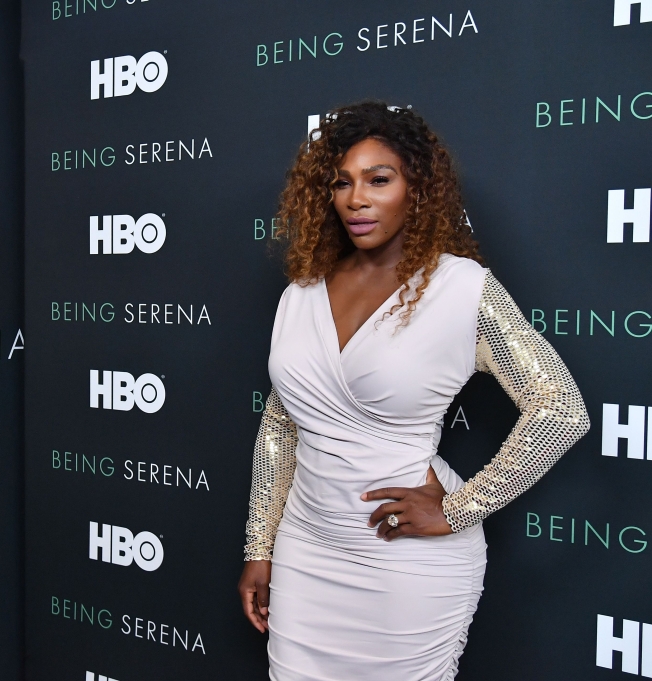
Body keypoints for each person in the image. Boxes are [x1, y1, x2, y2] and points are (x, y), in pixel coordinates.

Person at [237, 101, 589, 681]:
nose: (357, 198)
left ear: (417, 188)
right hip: (305, 548)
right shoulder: (300, 291)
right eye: (342, 182)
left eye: (380, 179)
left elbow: (561, 409)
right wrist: (260, 546)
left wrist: (460, 508)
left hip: (406, 565)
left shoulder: (460, 289)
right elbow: (282, 422)